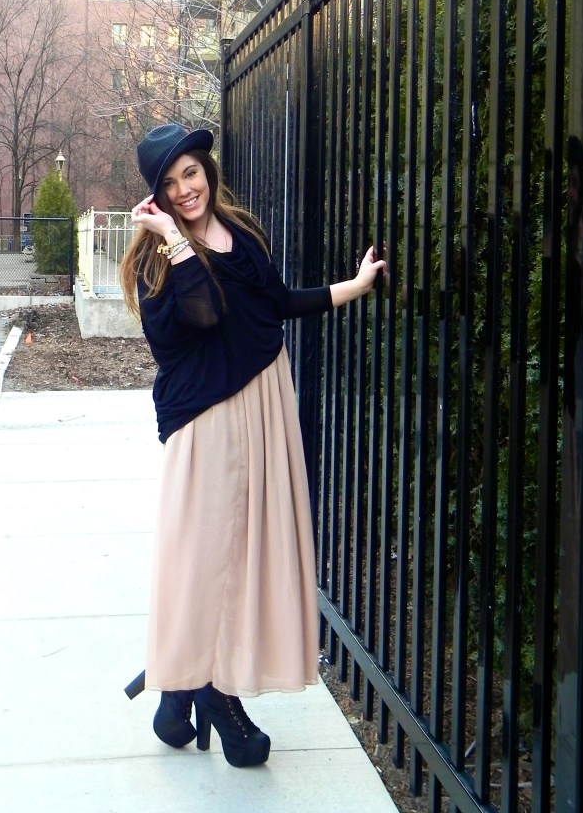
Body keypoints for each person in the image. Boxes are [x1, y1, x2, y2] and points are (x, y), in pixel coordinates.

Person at [120, 123, 386, 768]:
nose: (186, 189)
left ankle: (177, 690)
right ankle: (214, 694)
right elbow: (204, 313)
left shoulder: (241, 233)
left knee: (245, 551)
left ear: (207, 171)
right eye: (170, 183)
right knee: (208, 556)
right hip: (206, 417)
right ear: (155, 197)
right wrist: (170, 237)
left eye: (192, 172)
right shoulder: (156, 263)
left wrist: (354, 286)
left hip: (264, 402)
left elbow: (275, 304)